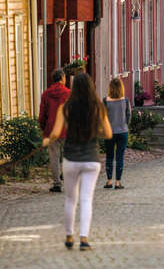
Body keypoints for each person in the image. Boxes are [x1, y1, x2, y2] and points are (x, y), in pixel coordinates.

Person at [43, 73, 111, 251]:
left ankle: (68, 236)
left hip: (71, 159)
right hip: (91, 159)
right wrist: (95, 131)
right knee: (86, 199)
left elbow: (56, 133)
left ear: (74, 88)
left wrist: (48, 139)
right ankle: (84, 238)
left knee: (70, 199)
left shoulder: (65, 108)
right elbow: (108, 133)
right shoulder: (98, 108)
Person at [38, 69, 70, 192]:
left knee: (54, 157)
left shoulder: (46, 94)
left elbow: (42, 114)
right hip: (67, 129)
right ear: (62, 78)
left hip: (51, 130)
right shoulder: (68, 93)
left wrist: (43, 128)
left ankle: (57, 184)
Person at [103, 78, 131, 189]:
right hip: (122, 131)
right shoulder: (126, 101)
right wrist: (125, 125)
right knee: (120, 157)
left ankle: (109, 180)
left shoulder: (105, 101)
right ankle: (118, 182)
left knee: (109, 156)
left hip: (109, 132)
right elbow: (128, 116)